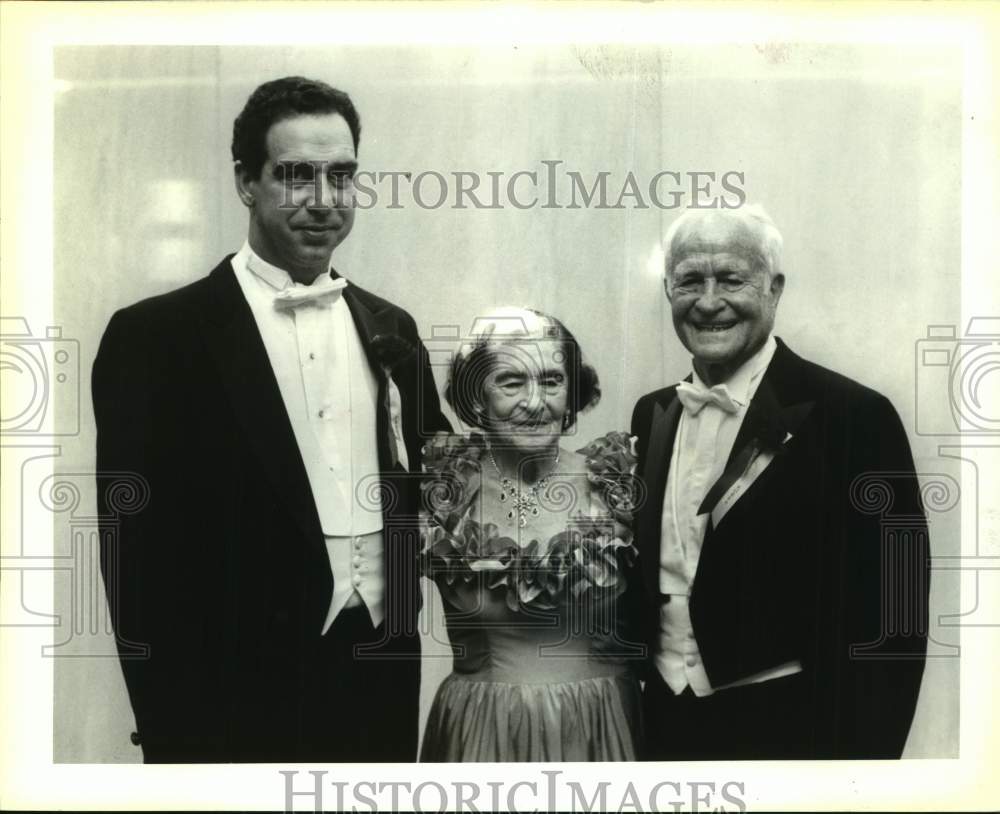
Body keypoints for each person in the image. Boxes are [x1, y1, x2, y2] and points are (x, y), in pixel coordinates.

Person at [92, 76, 448, 762]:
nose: (324, 201)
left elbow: (435, 497)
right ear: (244, 181)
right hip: (228, 700)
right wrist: (172, 731)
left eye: (341, 176)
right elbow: (133, 562)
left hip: (378, 672)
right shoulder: (156, 337)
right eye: (295, 175)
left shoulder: (392, 329)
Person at [632, 205, 929, 760]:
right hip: (662, 724)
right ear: (669, 292)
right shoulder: (650, 414)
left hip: (793, 727)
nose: (710, 300)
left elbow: (897, 617)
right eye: (690, 280)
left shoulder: (854, 416)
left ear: (774, 288)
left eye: (732, 279)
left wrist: (861, 773)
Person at [418, 307, 643, 762]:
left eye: (552, 381)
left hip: (602, 730)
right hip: (481, 733)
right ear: (476, 397)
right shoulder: (443, 489)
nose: (536, 402)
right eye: (512, 382)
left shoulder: (617, 482)